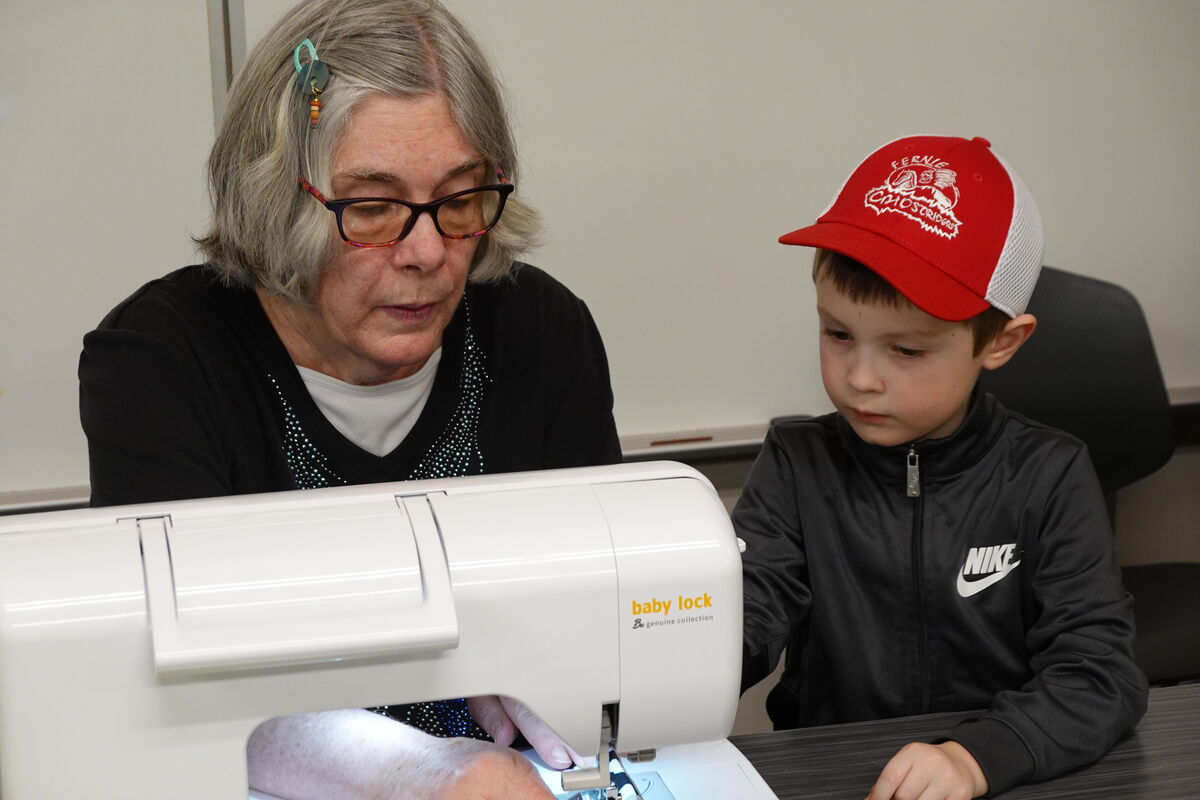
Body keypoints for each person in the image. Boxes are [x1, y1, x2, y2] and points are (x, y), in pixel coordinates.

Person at [78, 1, 619, 797]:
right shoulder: (162, 361)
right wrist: (426, 772)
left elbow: (606, 604)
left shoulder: (540, 329)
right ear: (278, 201)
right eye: (373, 208)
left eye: (461, 199)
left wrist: (557, 673)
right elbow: (170, 695)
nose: (429, 252)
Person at [736, 135, 1148, 800]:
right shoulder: (796, 464)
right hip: (845, 774)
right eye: (837, 334)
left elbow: (1099, 676)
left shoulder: (1049, 475)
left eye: (906, 349)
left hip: (1005, 774)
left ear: (1002, 342)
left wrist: (975, 758)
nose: (861, 378)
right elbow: (742, 621)